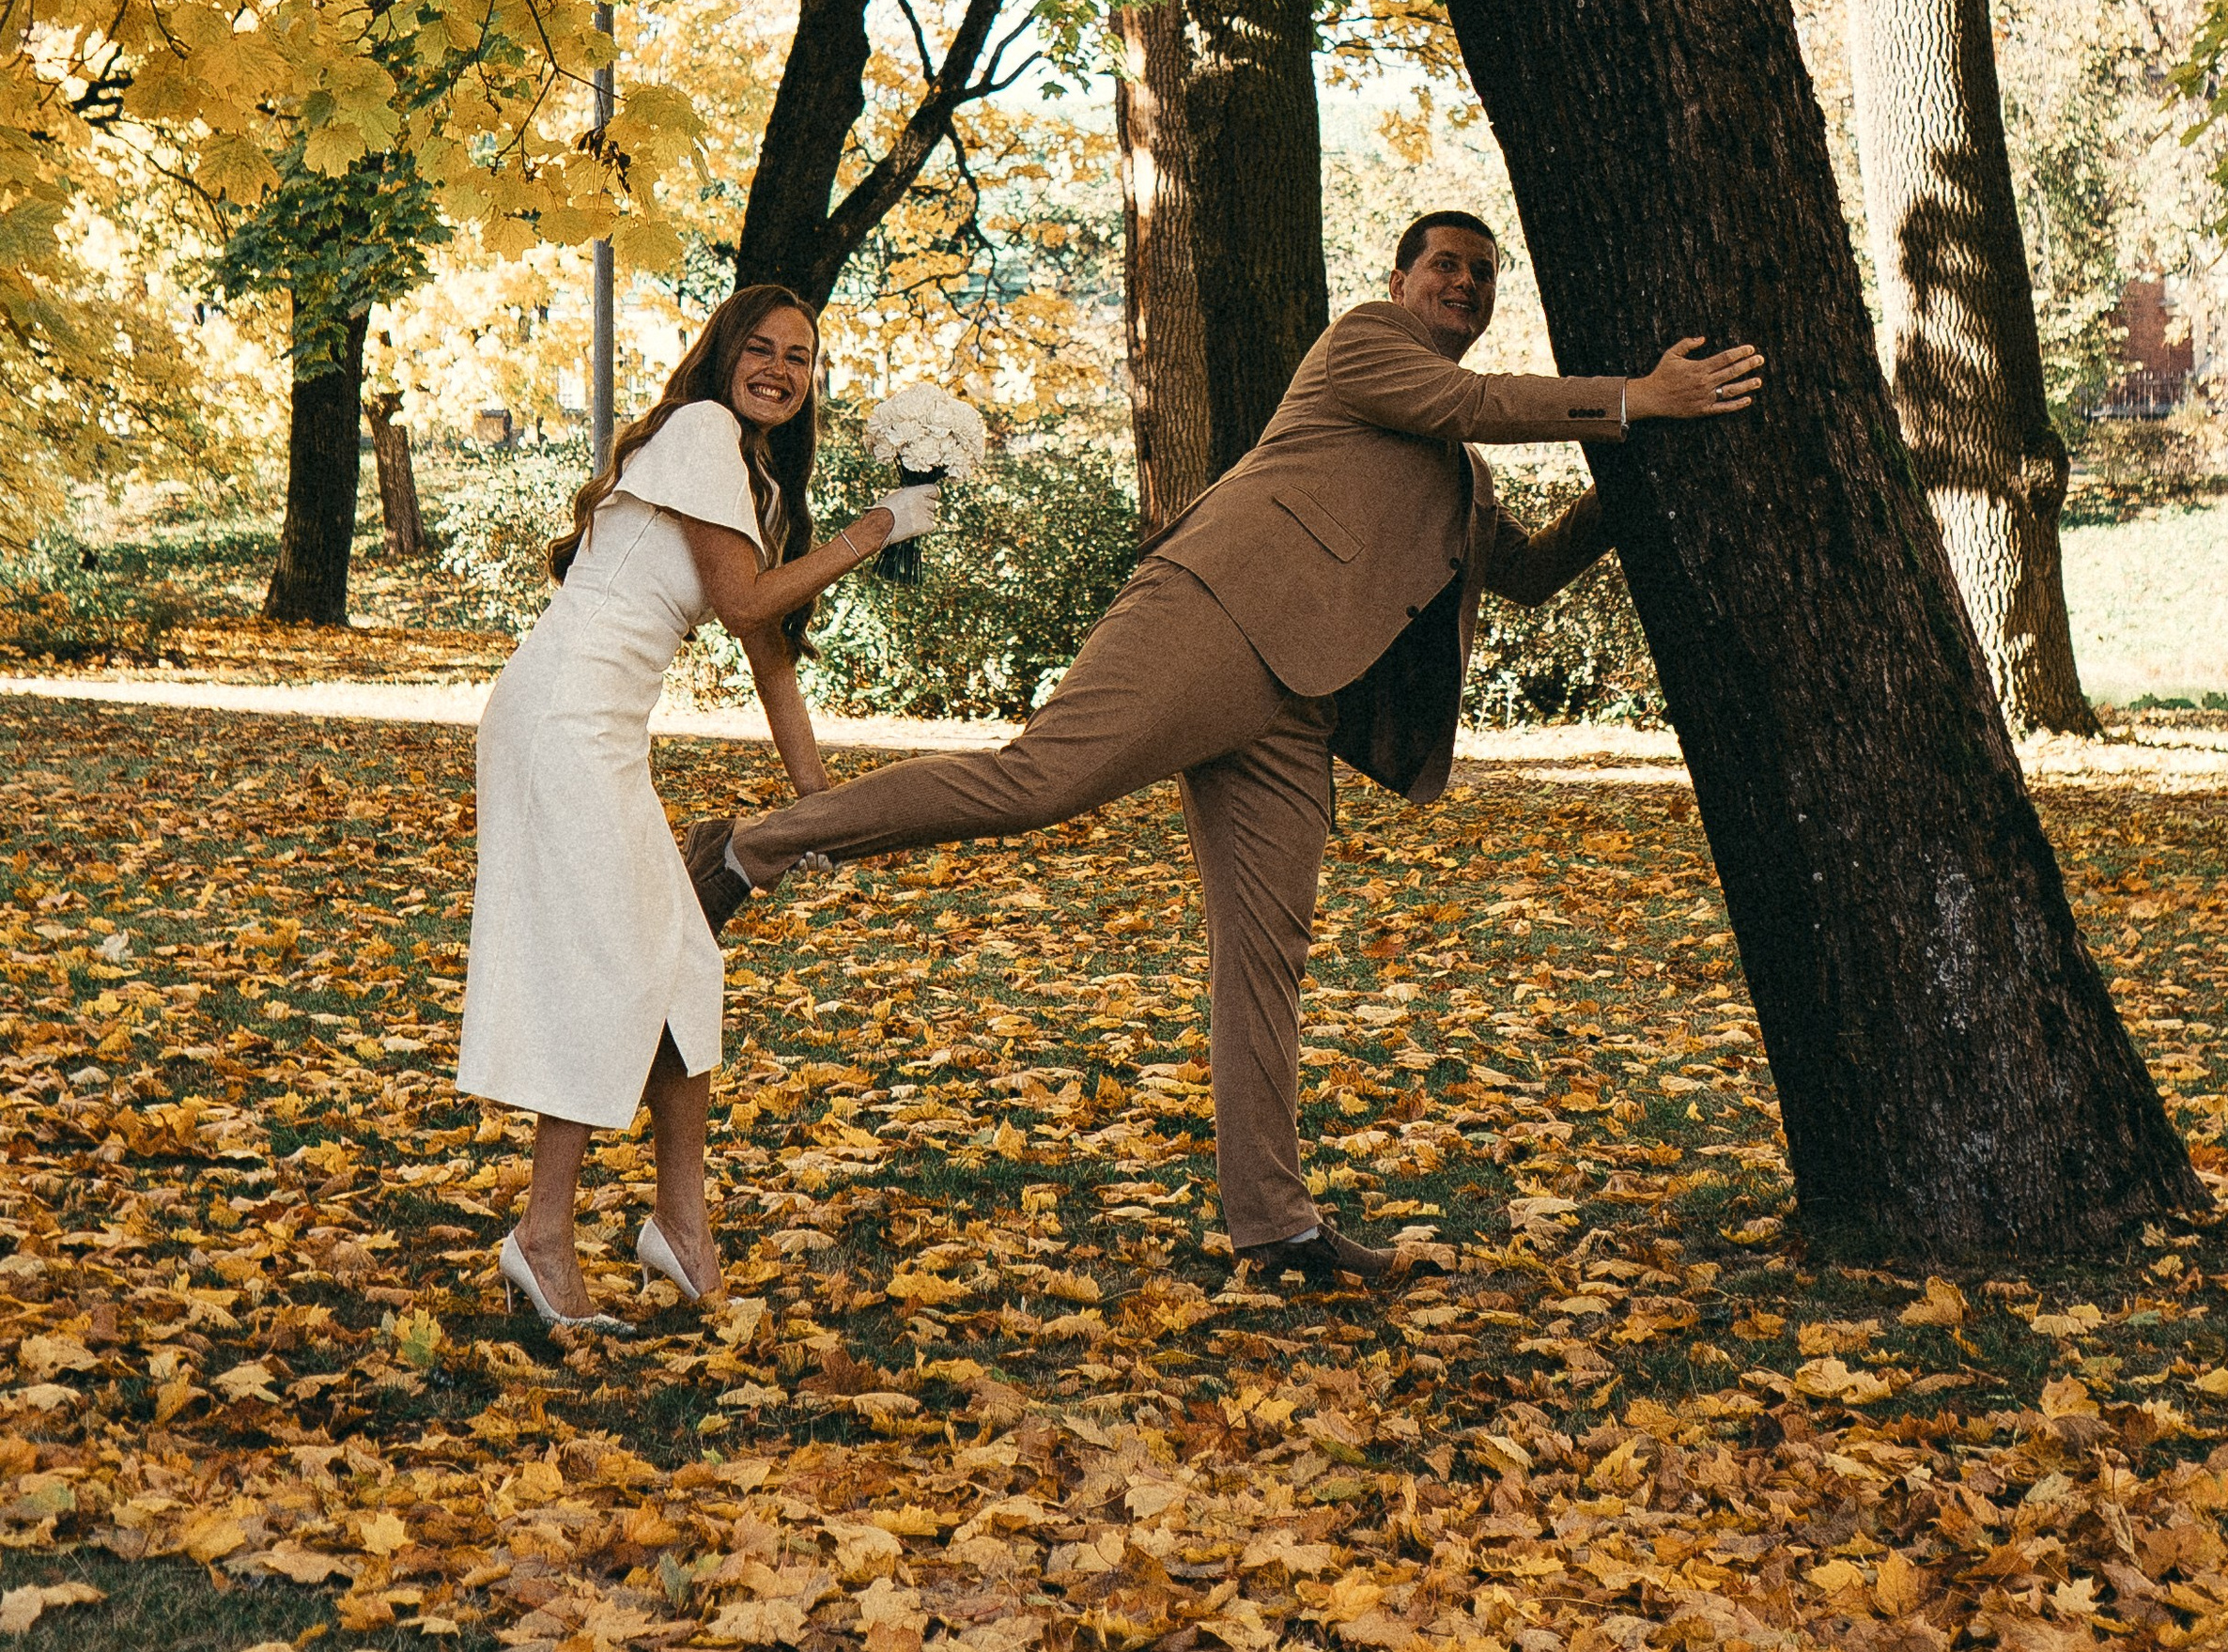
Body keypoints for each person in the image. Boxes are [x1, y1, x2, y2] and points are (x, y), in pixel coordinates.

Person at [683, 217, 1762, 1292]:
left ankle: (1276, 1228)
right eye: (1446, 263)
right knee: (1037, 780)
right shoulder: (1365, 346)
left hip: (1299, 711)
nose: (1463, 283)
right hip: (1210, 617)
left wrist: (1646, 473)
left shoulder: (1464, 478)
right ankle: (750, 847)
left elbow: (1522, 574)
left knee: (1264, 955)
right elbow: (1469, 400)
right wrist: (1635, 398)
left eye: (1482, 273)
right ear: (1400, 278)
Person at [456, 281, 937, 1327]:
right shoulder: (699, 429)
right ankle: (541, 1236)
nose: (777, 369)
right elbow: (745, 600)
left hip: (600, 732)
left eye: (798, 357)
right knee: (615, 963)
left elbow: (769, 659)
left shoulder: (749, 482)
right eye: (758, 348)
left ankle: (680, 1229)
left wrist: (819, 807)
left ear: (813, 380)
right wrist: (875, 530)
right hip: (560, 722)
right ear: (725, 359)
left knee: (684, 963)